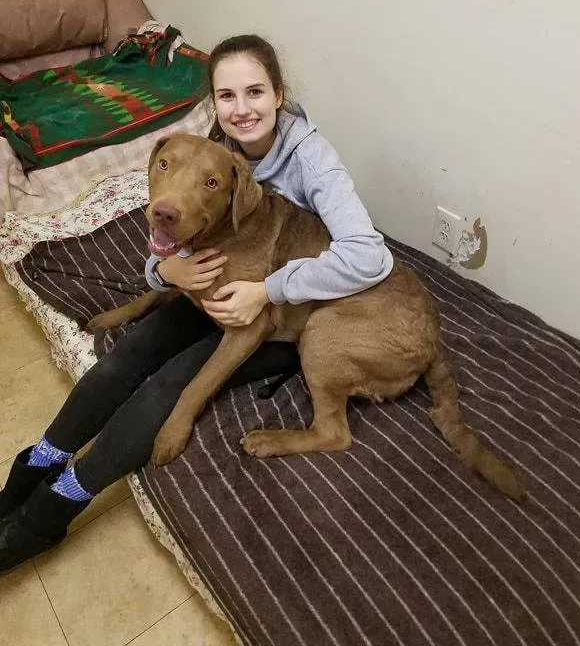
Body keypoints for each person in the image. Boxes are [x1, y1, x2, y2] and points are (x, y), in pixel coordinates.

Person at [0, 34, 393, 571]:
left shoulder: (312, 162)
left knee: (170, 381)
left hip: (285, 311)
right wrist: (162, 272)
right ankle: (35, 464)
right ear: (213, 102)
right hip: (220, 287)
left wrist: (266, 290)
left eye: (254, 92)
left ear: (278, 95)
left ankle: (49, 510)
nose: (241, 108)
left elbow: (369, 256)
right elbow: (176, 236)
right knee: (127, 356)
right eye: (226, 96)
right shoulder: (214, 145)